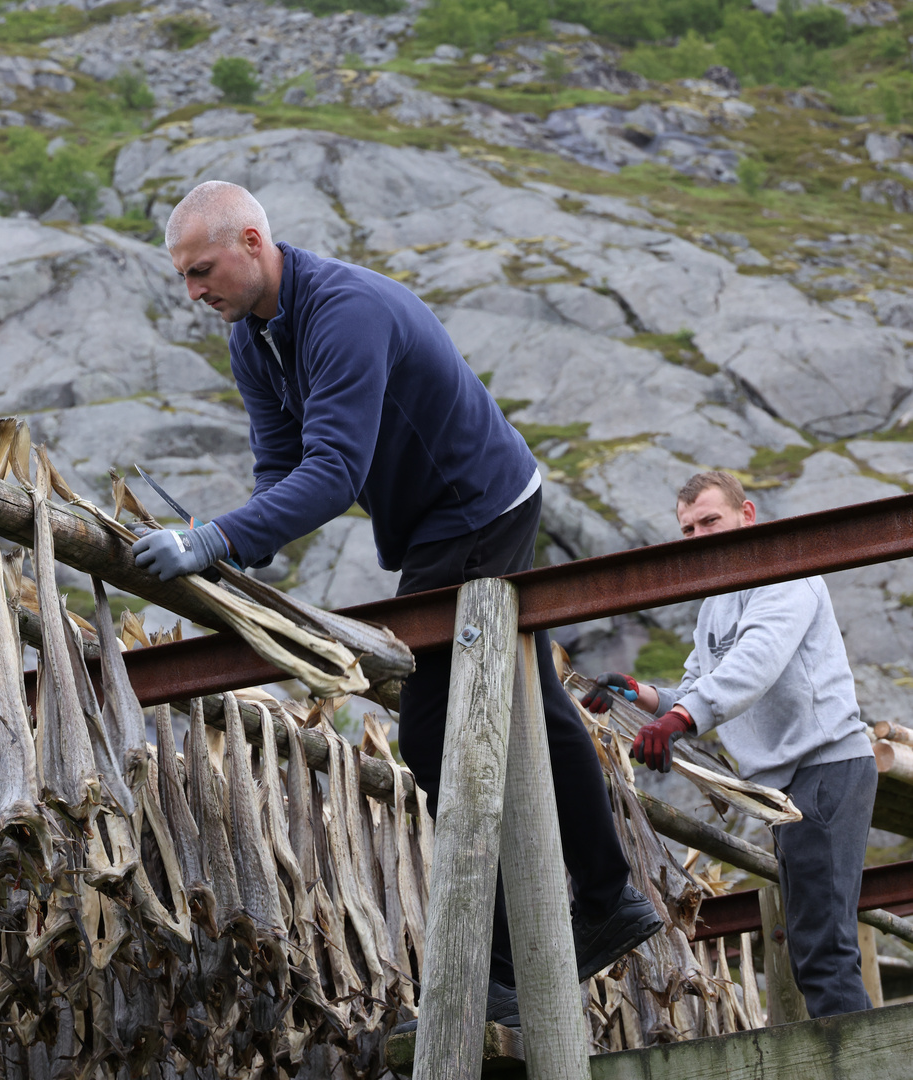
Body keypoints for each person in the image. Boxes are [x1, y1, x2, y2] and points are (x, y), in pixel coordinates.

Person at [132, 180, 661, 1025]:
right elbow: (282, 470)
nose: (195, 292)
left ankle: (503, 962)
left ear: (252, 241)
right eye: (185, 278)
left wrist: (215, 539)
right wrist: (236, 540)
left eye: (203, 271)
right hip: (431, 528)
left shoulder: (343, 312)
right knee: (526, 697)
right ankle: (601, 900)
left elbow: (334, 472)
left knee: (429, 728)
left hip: (478, 505)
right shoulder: (254, 339)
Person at [583, 470, 877, 1018]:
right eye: (688, 530)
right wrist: (638, 694)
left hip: (827, 769)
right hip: (784, 788)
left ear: (747, 515)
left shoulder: (785, 573)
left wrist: (678, 720)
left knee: (823, 949)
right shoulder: (715, 603)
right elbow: (698, 687)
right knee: (811, 946)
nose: (699, 538)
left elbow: (754, 664)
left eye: (710, 521)